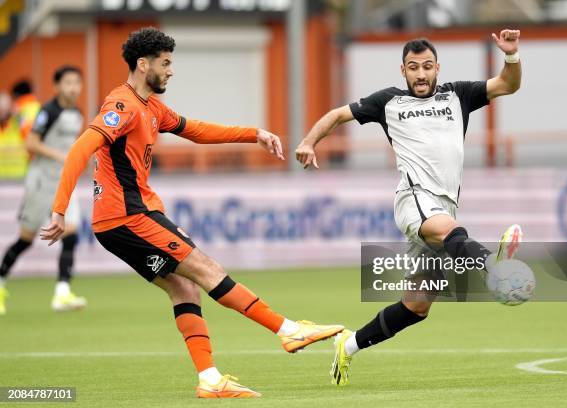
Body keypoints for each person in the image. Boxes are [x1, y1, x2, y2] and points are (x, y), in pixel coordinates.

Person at [40, 27, 343, 398]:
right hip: (127, 217)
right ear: (142, 64)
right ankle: (287, 330)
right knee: (206, 268)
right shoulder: (121, 106)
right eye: (165, 64)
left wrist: (254, 134)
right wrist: (58, 210)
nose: (171, 71)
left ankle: (210, 380)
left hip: (127, 218)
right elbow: (78, 150)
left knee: (185, 287)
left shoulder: (152, 107)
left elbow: (196, 130)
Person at [296, 30, 523, 386]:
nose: (421, 74)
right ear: (402, 71)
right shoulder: (388, 101)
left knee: (417, 306)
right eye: (413, 67)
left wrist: (510, 56)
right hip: (414, 200)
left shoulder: (458, 95)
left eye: (427, 67)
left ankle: (349, 343)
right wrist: (309, 142)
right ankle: (494, 271)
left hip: (444, 206)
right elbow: (336, 115)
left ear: (437, 69)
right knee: (450, 229)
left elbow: (508, 86)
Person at [0, 66, 86, 314]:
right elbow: (31, 142)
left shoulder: (78, 114)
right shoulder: (47, 112)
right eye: (68, 83)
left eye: (77, 83)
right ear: (57, 86)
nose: (73, 88)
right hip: (40, 181)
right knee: (25, 239)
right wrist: (61, 156)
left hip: (63, 182)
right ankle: (1, 281)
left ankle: (62, 293)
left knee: (71, 234)